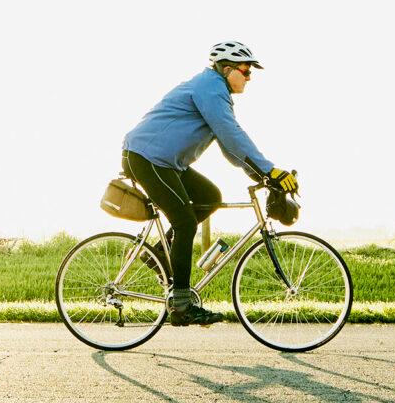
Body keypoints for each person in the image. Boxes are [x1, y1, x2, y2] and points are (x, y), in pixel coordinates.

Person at [120, 41, 298, 325]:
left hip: (165, 162)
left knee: (210, 196)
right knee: (185, 223)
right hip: (147, 158)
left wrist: (262, 176)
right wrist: (270, 170)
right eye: (246, 70)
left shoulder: (215, 90)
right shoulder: (211, 88)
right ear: (227, 69)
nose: (249, 77)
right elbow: (231, 133)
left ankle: (156, 254)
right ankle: (180, 304)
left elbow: (230, 147)